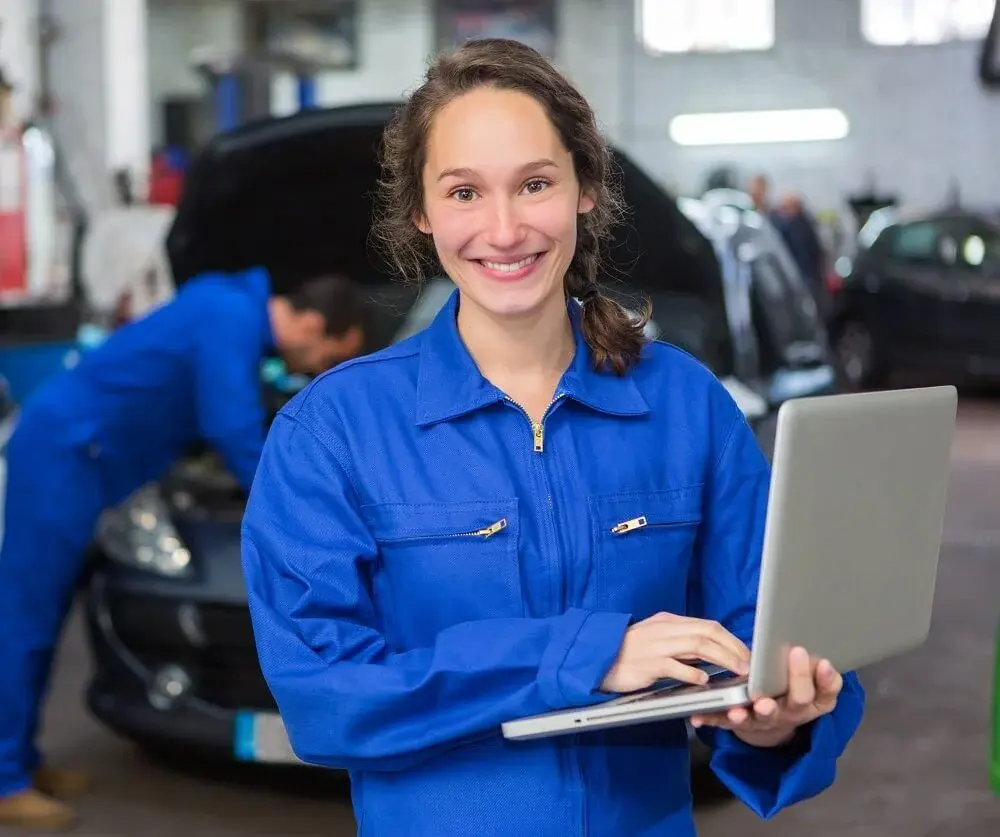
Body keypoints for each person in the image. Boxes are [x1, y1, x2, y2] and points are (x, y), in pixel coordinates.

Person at [241, 38, 866, 837]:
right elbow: (323, 695)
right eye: (464, 192)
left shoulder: (684, 404)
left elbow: (764, 631)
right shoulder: (333, 430)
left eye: (534, 183)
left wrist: (780, 716)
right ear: (420, 213)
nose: (503, 230)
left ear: (584, 191)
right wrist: (588, 653)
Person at [0, 267, 366, 830]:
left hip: (90, 462)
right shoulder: (230, 318)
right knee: (27, 618)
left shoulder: (229, 308)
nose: (318, 371)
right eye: (327, 358)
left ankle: (22, 760)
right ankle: (5, 780)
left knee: (43, 617)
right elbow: (233, 426)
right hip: (64, 457)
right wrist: (295, 508)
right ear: (312, 325)